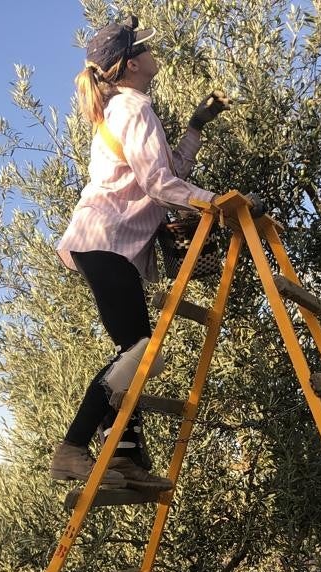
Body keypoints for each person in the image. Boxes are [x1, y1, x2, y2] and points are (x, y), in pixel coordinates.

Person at [50, 16, 236, 491]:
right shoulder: (132, 108)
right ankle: (72, 448)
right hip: (105, 239)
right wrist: (215, 201)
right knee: (140, 352)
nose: (156, 55)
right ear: (132, 64)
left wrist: (196, 124)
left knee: (131, 354)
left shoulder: (127, 108)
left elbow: (168, 169)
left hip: (108, 243)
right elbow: (161, 185)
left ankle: (125, 457)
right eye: (147, 50)